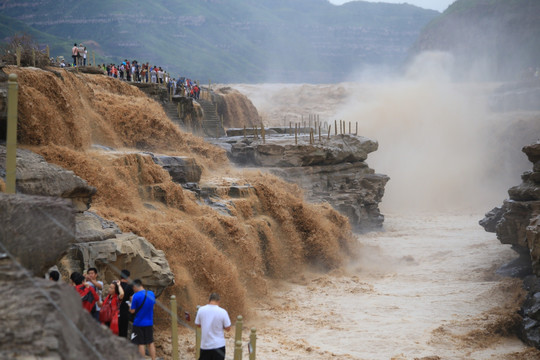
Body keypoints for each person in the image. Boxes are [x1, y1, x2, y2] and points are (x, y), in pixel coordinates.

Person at [195, 293, 231, 360]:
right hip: (219, 346)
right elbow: (228, 328)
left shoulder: (201, 310)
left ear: (209, 300)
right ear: (218, 301)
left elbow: (198, 324)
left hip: (205, 346)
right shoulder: (223, 312)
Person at [130, 279, 156, 360]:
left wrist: (130, 304)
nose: (133, 290)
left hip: (138, 323)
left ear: (135, 286)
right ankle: (153, 359)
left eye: (133, 288)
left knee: (140, 343)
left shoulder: (136, 296)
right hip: (149, 322)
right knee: (150, 342)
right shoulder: (151, 293)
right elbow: (153, 307)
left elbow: (132, 311)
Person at [118, 269, 134, 338]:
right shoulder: (130, 287)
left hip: (115, 309)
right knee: (123, 330)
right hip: (124, 310)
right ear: (128, 277)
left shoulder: (116, 285)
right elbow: (132, 299)